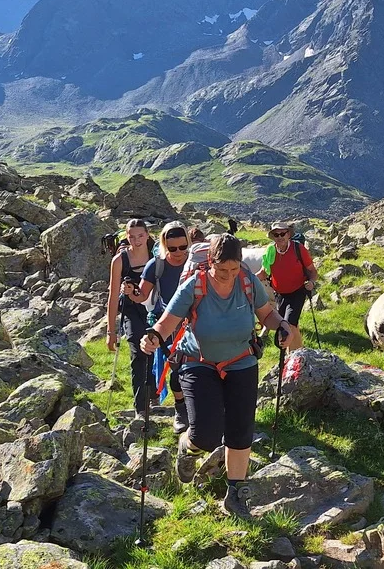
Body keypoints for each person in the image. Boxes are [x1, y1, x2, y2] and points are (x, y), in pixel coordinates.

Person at [141, 234, 301, 518]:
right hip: (198, 362)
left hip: (241, 361)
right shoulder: (195, 285)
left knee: (240, 429)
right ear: (210, 263)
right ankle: (188, 448)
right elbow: (167, 322)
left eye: (234, 269)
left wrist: (283, 327)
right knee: (206, 434)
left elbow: (267, 314)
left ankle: (235, 494)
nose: (228, 275)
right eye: (222, 269)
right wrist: (152, 337)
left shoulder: (248, 282)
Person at [130, 221, 191, 433]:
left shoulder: (195, 263)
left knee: (195, 367)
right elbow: (142, 296)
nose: (178, 252)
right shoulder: (156, 266)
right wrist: (130, 292)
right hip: (167, 324)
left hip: (194, 323)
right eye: (172, 248)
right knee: (176, 367)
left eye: (183, 247)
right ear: (164, 245)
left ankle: (194, 408)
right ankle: (181, 409)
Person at [106, 219, 154, 410]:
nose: (136, 240)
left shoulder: (156, 255)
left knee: (154, 349)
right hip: (130, 310)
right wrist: (111, 332)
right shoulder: (119, 261)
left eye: (140, 235)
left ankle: (154, 394)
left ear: (147, 234)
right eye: (132, 236)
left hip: (154, 308)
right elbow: (112, 296)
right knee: (137, 350)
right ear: (126, 237)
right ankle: (141, 407)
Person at [257, 222, 316, 351]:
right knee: (288, 326)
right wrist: (245, 281)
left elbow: (312, 270)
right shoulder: (270, 251)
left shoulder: (298, 249)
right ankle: (296, 355)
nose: (280, 237)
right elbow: (263, 273)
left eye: (283, 233)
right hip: (279, 294)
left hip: (298, 291)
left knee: (289, 324)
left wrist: (311, 282)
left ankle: (295, 358)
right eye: (276, 234)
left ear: (288, 234)